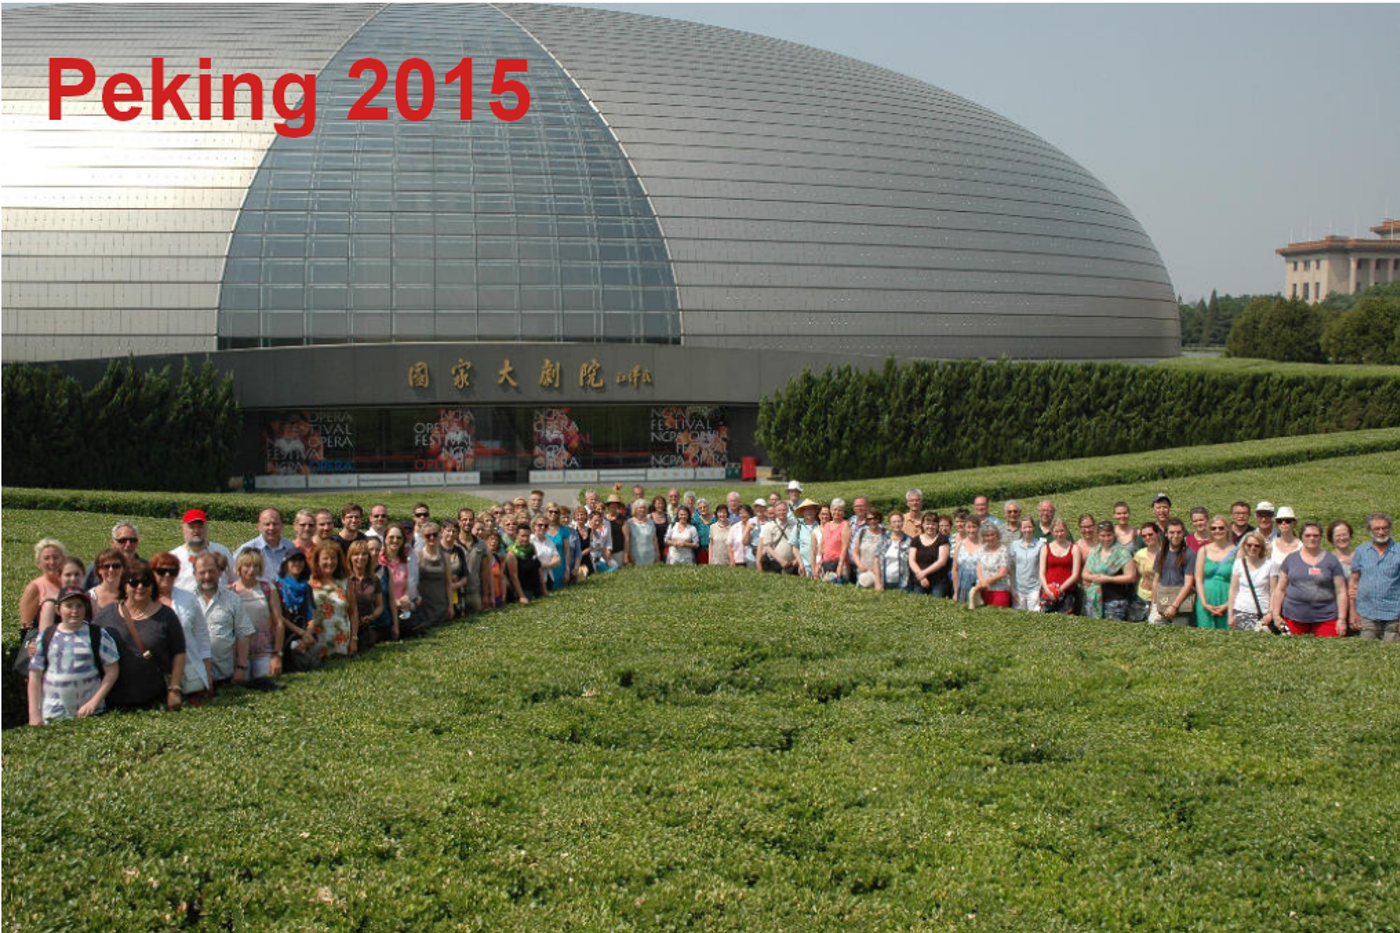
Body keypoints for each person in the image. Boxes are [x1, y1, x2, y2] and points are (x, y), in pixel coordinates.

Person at [95, 563, 186, 711]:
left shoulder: (166, 616)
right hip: (111, 703)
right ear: (124, 586)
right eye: (133, 582)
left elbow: (179, 653)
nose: (140, 587)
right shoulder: (106, 615)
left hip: (154, 702)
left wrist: (174, 690)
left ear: (153, 586)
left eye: (146, 582)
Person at [28, 587, 120, 725]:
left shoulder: (98, 635)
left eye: (79, 606)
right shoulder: (46, 636)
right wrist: (34, 714)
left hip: (90, 715)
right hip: (52, 715)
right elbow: (35, 675)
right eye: (69, 606)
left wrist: (94, 702)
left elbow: (112, 671)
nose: (74, 610)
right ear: (58, 609)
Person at [150, 551, 213, 698]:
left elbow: (202, 636)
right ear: (152, 573)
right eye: (161, 571)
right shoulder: (144, 599)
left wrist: (207, 672)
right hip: (154, 672)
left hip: (189, 669)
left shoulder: (189, 598)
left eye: (172, 571)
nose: (167, 575)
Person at [1273, 521, 1348, 637]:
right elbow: (1280, 589)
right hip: (1294, 616)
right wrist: (1276, 615)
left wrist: (1342, 619)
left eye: (1315, 535)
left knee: (1328, 646)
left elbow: (1341, 591)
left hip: (1326, 616)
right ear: (1301, 537)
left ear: (1320, 537)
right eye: (1307, 535)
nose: (1312, 538)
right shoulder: (1291, 559)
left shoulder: (1331, 560)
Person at [192, 551, 255, 685]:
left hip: (225, 676)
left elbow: (244, 634)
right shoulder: (186, 599)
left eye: (212, 571)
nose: (207, 576)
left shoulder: (232, 599)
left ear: (219, 572)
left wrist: (241, 667)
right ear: (194, 574)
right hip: (194, 677)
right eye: (202, 572)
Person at [231, 551, 285, 679]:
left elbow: (279, 622)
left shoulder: (267, 588)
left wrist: (277, 655)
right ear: (239, 567)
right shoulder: (231, 591)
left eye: (255, 566)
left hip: (264, 651)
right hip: (239, 653)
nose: (251, 570)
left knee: (266, 681)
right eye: (247, 566)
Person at [1349, 511, 1398, 641]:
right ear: (1369, 530)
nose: (1381, 532)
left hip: (1393, 615)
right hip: (1367, 614)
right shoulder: (1361, 551)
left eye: (1385, 528)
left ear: (1390, 528)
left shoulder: (1398, 551)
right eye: (1377, 529)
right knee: (1366, 649)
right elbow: (1354, 582)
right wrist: (1353, 611)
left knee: (1392, 650)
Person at [308, 542, 359, 659]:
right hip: (317, 644)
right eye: (325, 558)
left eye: (333, 558)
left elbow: (353, 611)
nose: (330, 562)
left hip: (341, 644)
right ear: (317, 561)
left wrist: (354, 639)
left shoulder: (345, 581)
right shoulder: (309, 582)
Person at [1082, 521, 1137, 620]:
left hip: (1115, 602)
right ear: (1098, 536)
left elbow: (1131, 577)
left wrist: (1108, 579)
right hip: (1094, 600)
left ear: (1113, 535)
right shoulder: (1095, 552)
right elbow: (1085, 574)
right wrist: (1093, 577)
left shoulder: (1122, 553)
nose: (1106, 538)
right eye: (1103, 536)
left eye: (1109, 535)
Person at [170, 508, 235, 593]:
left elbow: (236, 579)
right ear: (182, 529)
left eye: (200, 526)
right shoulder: (174, 557)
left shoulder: (221, 551)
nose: (196, 531)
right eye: (191, 527)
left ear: (206, 527)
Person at [1227, 532, 1278, 633]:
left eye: (1256, 545)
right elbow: (1233, 590)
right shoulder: (1238, 563)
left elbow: (1274, 592)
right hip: (1240, 611)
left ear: (1262, 547)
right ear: (1244, 546)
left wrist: (1271, 613)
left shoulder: (1270, 565)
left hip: (1263, 613)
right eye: (1249, 545)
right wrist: (1230, 614)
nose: (1252, 548)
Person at [235, 508, 302, 583]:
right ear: (259, 526)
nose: (271, 528)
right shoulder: (247, 549)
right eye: (267, 524)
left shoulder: (290, 547)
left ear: (282, 525)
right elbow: (233, 574)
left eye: (275, 524)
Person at [1193, 515, 1237, 630]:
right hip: (1206, 598)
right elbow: (1198, 579)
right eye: (1213, 528)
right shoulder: (1203, 550)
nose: (1217, 531)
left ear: (1228, 529)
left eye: (1221, 528)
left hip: (1228, 599)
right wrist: (1204, 603)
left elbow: (1240, 582)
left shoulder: (1237, 552)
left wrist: (1228, 604)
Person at [1152, 519, 1197, 626]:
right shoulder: (1161, 554)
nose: (1175, 536)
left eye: (1179, 532)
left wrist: (1174, 606)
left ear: (1183, 533)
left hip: (1181, 605)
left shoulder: (1190, 554)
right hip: (1162, 601)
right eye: (1172, 532)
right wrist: (1154, 604)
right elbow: (1156, 580)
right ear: (1166, 534)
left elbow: (1188, 584)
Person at [19, 538, 66, 635]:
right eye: (46, 558)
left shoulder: (71, 583)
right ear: (39, 563)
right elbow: (26, 625)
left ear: (63, 560)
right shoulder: (34, 588)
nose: (52, 562)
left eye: (55, 557)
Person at [379, 525, 419, 636]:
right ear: (385, 539)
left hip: (401, 609)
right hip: (383, 608)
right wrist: (394, 602)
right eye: (391, 537)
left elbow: (405, 586)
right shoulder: (378, 560)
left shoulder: (404, 561)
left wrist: (405, 597)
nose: (395, 540)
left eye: (399, 538)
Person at [346, 541, 386, 650]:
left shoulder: (374, 580)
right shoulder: (344, 579)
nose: (360, 557)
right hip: (346, 627)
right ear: (350, 557)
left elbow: (379, 606)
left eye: (364, 554)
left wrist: (372, 616)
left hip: (366, 627)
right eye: (356, 554)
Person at [82, 521, 144, 589]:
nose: (128, 545)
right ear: (113, 544)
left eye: (133, 540)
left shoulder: (147, 568)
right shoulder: (97, 567)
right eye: (122, 540)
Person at [415, 522, 454, 627]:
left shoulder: (445, 557)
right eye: (428, 535)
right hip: (424, 607)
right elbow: (413, 582)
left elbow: (448, 583)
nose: (432, 538)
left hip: (441, 606)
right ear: (422, 537)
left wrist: (450, 606)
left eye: (434, 535)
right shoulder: (417, 556)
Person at [910, 512, 951, 597]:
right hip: (920, 580)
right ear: (922, 525)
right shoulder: (915, 540)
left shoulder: (943, 540)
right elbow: (911, 560)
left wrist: (924, 573)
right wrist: (921, 576)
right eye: (927, 524)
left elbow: (942, 561)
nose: (930, 526)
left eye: (933, 524)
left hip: (938, 581)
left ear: (937, 525)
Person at [972, 522, 1013, 607]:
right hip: (982, 589)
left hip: (999, 590)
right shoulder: (982, 549)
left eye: (992, 535)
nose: (990, 538)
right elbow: (979, 568)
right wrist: (982, 581)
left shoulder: (1003, 550)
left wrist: (986, 581)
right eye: (987, 536)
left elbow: (1003, 572)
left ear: (997, 535)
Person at [506, 524, 546, 603]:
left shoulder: (532, 547)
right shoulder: (512, 554)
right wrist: (522, 596)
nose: (525, 539)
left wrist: (544, 589)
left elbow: (538, 568)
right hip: (524, 590)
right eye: (523, 536)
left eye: (527, 536)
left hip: (536, 588)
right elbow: (514, 576)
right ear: (517, 535)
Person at [1010, 518, 1044, 610]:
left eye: (1030, 527)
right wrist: (1012, 589)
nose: (1027, 530)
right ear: (1020, 529)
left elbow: (1043, 569)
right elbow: (1012, 569)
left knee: (1034, 617)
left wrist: (1040, 591)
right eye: (1024, 527)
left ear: (1034, 527)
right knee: (1019, 617)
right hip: (1018, 590)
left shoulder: (1041, 545)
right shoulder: (1014, 545)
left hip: (1034, 590)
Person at [758, 502, 801, 574]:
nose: (782, 512)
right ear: (775, 511)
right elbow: (767, 547)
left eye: (784, 510)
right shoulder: (769, 526)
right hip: (775, 563)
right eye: (779, 510)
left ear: (787, 511)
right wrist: (781, 561)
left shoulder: (795, 525)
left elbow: (800, 543)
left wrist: (797, 559)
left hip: (793, 563)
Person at [875, 512, 913, 592]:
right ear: (889, 524)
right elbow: (876, 560)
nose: (897, 524)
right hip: (885, 582)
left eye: (899, 521)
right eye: (894, 522)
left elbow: (912, 562)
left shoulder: (909, 540)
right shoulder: (883, 538)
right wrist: (878, 582)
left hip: (904, 583)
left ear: (903, 522)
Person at [1130, 522, 1160, 622]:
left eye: (1150, 534)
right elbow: (1136, 576)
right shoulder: (1139, 554)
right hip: (1141, 596)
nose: (1147, 537)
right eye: (1144, 536)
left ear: (1157, 534)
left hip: (1160, 597)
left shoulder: (1166, 554)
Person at [953, 516, 983, 604]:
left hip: (978, 587)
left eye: (974, 527)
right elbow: (955, 570)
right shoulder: (960, 545)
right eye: (969, 527)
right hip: (962, 587)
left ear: (979, 528)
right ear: (965, 528)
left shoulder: (984, 546)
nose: (971, 530)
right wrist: (956, 592)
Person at [820, 499, 851, 581]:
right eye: (835, 509)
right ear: (830, 510)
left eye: (840, 510)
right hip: (826, 564)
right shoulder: (827, 525)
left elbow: (845, 547)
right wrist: (818, 562)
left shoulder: (845, 525)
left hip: (840, 565)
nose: (837, 512)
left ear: (843, 512)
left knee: (829, 581)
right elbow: (822, 545)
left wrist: (840, 566)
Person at [853, 509, 884, 588]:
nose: (872, 521)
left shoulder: (885, 534)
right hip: (863, 571)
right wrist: (859, 565)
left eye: (875, 518)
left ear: (879, 519)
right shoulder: (862, 532)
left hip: (880, 572)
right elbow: (855, 552)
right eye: (869, 519)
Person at [624, 500, 659, 567]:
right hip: (635, 555)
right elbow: (627, 540)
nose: (642, 509)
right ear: (635, 509)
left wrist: (657, 553)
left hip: (650, 555)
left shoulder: (651, 522)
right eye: (640, 508)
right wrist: (628, 555)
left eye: (644, 507)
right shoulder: (629, 522)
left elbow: (654, 539)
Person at [728, 504, 753, 568]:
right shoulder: (734, 527)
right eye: (740, 513)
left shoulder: (754, 527)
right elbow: (729, 545)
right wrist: (732, 560)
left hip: (751, 560)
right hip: (737, 560)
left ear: (749, 514)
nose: (742, 515)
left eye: (744, 513)